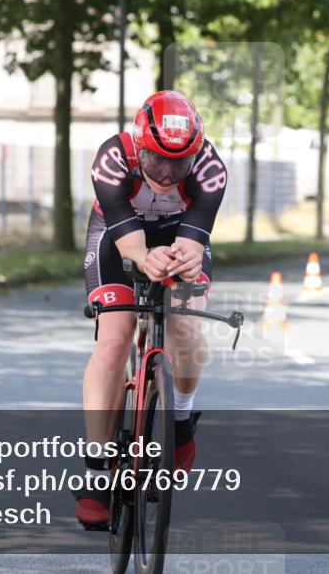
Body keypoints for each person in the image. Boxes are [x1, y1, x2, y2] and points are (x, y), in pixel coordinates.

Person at [76, 90, 227, 528]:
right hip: (118, 237)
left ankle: (180, 420)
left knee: (185, 327)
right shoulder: (112, 158)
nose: (165, 173)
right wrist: (144, 259)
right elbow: (132, 249)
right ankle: (97, 471)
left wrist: (185, 261)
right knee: (114, 339)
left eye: (179, 163)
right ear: (138, 144)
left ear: (196, 153)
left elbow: (191, 243)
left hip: (179, 234)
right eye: (156, 159)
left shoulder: (210, 169)